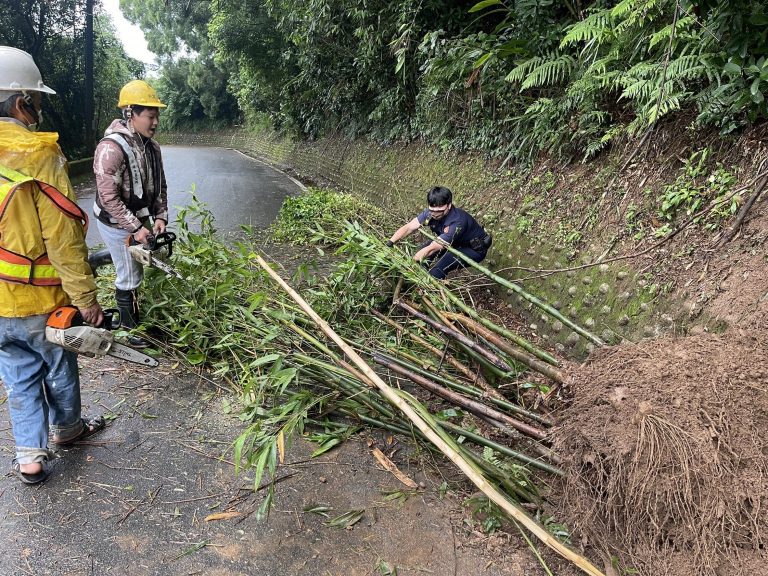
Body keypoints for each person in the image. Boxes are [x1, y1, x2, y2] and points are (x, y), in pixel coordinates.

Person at [0, 46, 106, 484]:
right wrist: (86, 300)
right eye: (36, 102)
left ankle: (29, 458)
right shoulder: (38, 154)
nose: (38, 111)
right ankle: (67, 430)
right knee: (59, 365)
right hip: (41, 298)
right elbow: (62, 239)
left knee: (18, 375)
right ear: (21, 102)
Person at [93, 80, 169, 348]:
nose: (156, 121)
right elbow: (109, 198)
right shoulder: (110, 149)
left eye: (157, 114)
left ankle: (99, 259)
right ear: (130, 113)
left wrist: (161, 216)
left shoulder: (152, 147)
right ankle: (128, 331)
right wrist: (136, 228)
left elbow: (160, 185)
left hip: (139, 215)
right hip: (115, 220)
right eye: (150, 115)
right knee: (130, 274)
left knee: (138, 259)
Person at [386, 186, 492, 279]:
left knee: (441, 265)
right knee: (422, 250)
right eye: (432, 210)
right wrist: (390, 242)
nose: (435, 214)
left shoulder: (457, 221)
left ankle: (427, 285)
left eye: (439, 211)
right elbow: (409, 227)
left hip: (473, 249)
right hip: (453, 243)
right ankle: (422, 271)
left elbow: (433, 247)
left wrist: (410, 264)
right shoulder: (429, 214)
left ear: (449, 205)